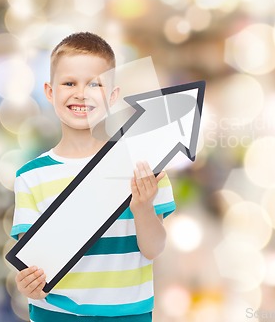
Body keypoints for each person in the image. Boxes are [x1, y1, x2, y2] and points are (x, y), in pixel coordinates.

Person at [10, 32, 175, 321]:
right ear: (50, 92)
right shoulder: (31, 176)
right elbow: (33, 266)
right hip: (56, 314)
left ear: (112, 96)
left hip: (129, 314)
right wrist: (31, 286)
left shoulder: (143, 164)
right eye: (69, 83)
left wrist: (142, 208)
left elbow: (154, 249)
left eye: (94, 84)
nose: (81, 93)